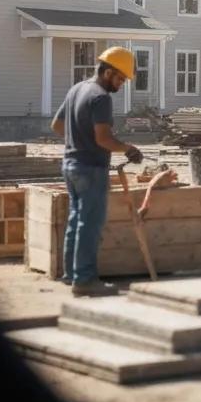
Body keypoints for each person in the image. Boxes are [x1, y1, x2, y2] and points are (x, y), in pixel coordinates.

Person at [51, 46, 143, 297]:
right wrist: (128, 149)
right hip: (91, 169)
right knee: (89, 224)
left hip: (70, 165)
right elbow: (103, 139)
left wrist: (80, 140)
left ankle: (71, 274)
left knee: (75, 220)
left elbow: (58, 125)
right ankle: (85, 280)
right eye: (120, 79)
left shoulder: (76, 89)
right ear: (108, 72)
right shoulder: (101, 97)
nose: (121, 84)